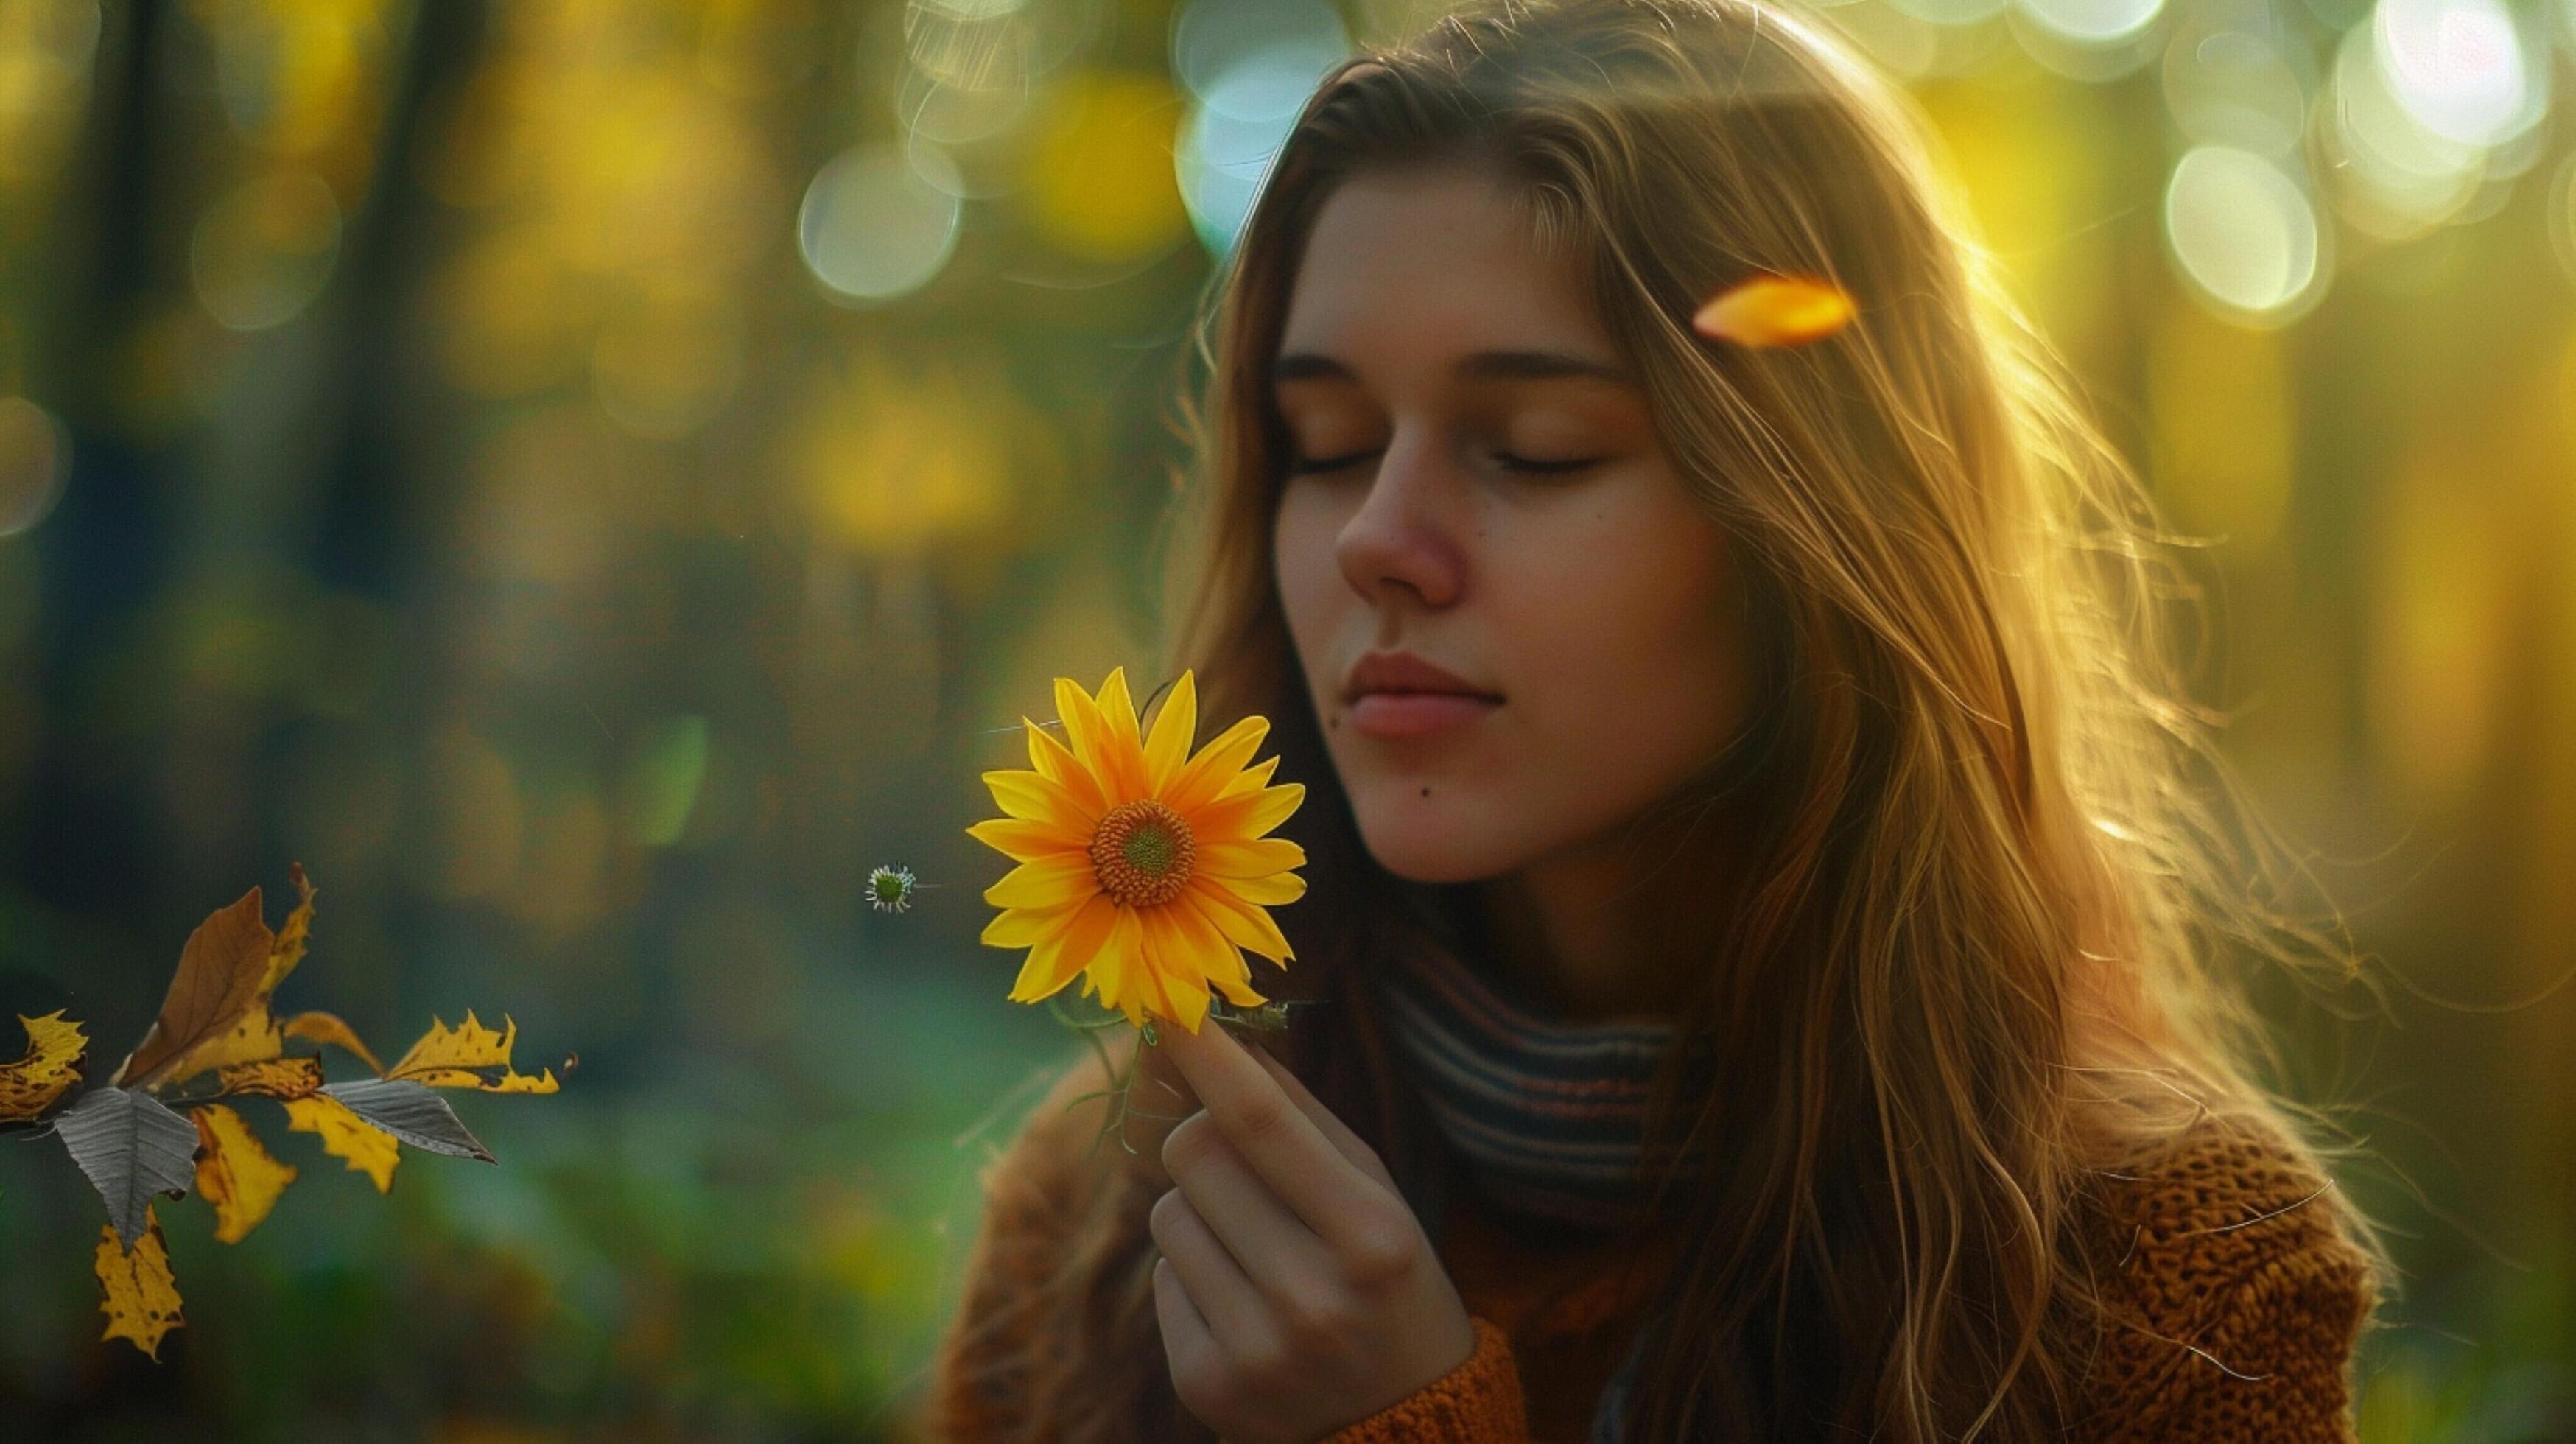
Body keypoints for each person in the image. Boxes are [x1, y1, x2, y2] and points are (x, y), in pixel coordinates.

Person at [920, 0, 2385, 1437]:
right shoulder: (1113, 1222)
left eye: (1535, 448)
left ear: (1815, 523)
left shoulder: (2170, 1275)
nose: (1378, 533)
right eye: (1330, 443)